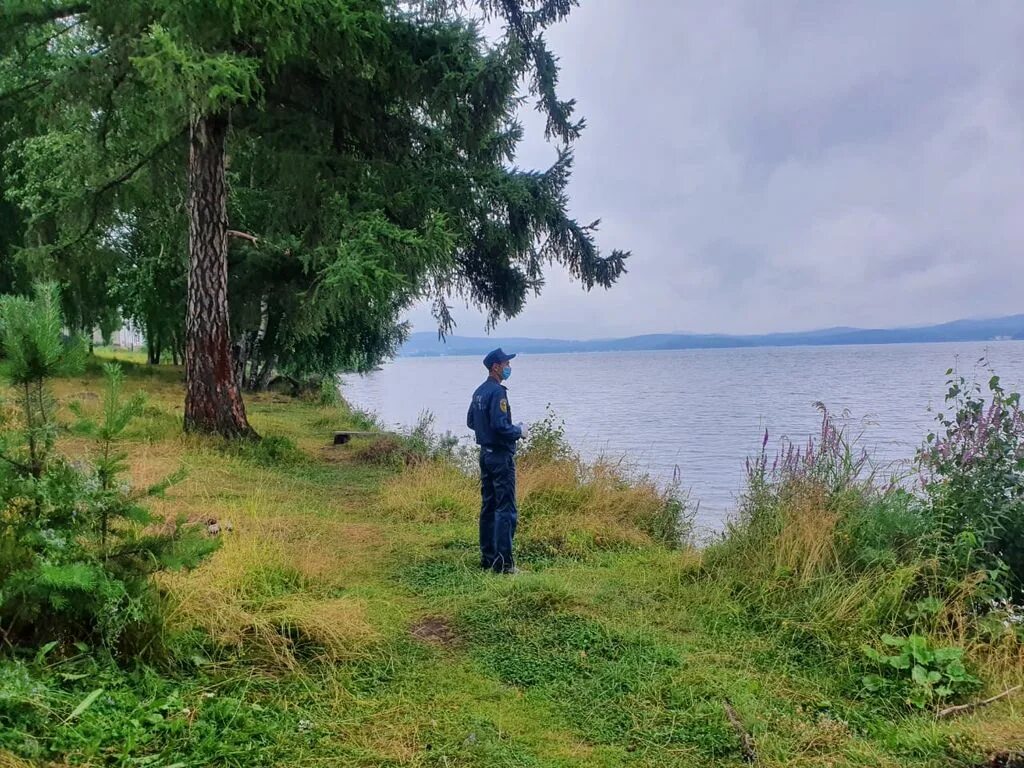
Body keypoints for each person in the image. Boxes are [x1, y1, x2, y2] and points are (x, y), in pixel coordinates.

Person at [467, 348, 526, 573]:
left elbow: (471, 421)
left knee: (489, 505)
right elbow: (501, 426)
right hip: (501, 456)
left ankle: (488, 557)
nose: (509, 367)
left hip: (485, 454)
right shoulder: (498, 393)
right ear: (495, 367)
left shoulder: (479, 392)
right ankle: (504, 564)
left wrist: (487, 431)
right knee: (505, 508)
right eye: (506, 363)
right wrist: (519, 431)